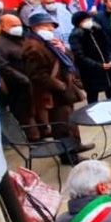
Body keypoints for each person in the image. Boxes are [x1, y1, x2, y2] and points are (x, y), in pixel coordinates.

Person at [23, 13, 94, 162]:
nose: (51, 29)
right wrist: (60, 86)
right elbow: (36, 75)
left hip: (63, 89)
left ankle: (75, 145)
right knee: (61, 125)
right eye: (48, 25)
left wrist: (63, 49)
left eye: (52, 26)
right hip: (53, 93)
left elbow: (68, 58)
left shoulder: (48, 42)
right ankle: (68, 156)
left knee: (70, 121)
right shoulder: (33, 47)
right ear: (36, 27)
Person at [0, 15, 35, 138]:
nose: (18, 28)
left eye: (19, 24)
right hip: (17, 86)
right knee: (24, 114)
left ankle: (40, 133)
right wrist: (24, 79)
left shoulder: (22, 38)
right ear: (2, 26)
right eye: (13, 25)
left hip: (33, 81)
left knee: (34, 111)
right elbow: (3, 67)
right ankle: (33, 139)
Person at [68, 11, 111, 104]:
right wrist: (99, 65)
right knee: (92, 96)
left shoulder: (97, 30)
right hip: (91, 71)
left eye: (89, 19)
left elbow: (110, 46)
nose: (89, 22)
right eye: (85, 20)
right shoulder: (76, 36)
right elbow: (80, 56)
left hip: (108, 67)